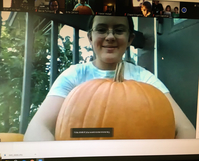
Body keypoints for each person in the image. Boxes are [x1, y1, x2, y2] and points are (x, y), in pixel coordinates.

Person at [24, 15, 196, 141]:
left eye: (119, 30)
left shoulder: (144, 78)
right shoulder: (74, 75)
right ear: (90, 38)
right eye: (101, 29)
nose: (110, 36)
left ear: (130, 39)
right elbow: (38, 128)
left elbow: (186, 129)